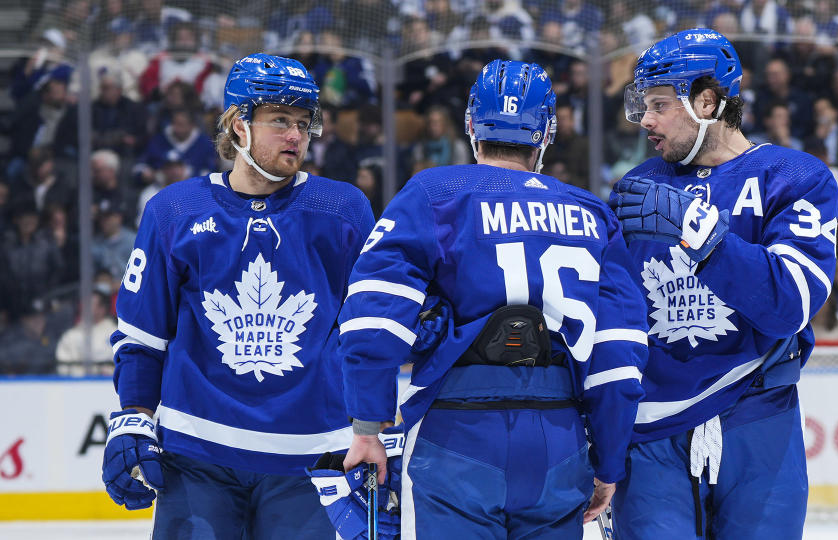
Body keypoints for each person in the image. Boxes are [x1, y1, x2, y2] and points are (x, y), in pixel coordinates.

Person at [338, 60, 648, 539]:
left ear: (470, 125)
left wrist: (366, 425)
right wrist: (607, 461)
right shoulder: (592, 214)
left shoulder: (434, 193)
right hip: (559, 440)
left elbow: (374, 313)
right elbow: (618, 357)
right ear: (546, 133)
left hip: (456, 432)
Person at [100, 53, 375, 539]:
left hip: (310, 458)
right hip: (198, 453)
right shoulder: (174, 210)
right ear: (238, 126)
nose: (296, 135)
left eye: (303, 123)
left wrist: (374, 428)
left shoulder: (343, 210)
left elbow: (368, 332)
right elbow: (143, 335)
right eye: (279, 121)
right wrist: (133, 417)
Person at [609, 29, 838, 539]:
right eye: (644, 105)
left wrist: (701, 232)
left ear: (707, 101)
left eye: (660, 104)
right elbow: (610, 315)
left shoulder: (794, 177)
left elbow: (790, 303)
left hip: (757, 419)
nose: (646, 120)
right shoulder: (635, 188)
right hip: (652, 431)